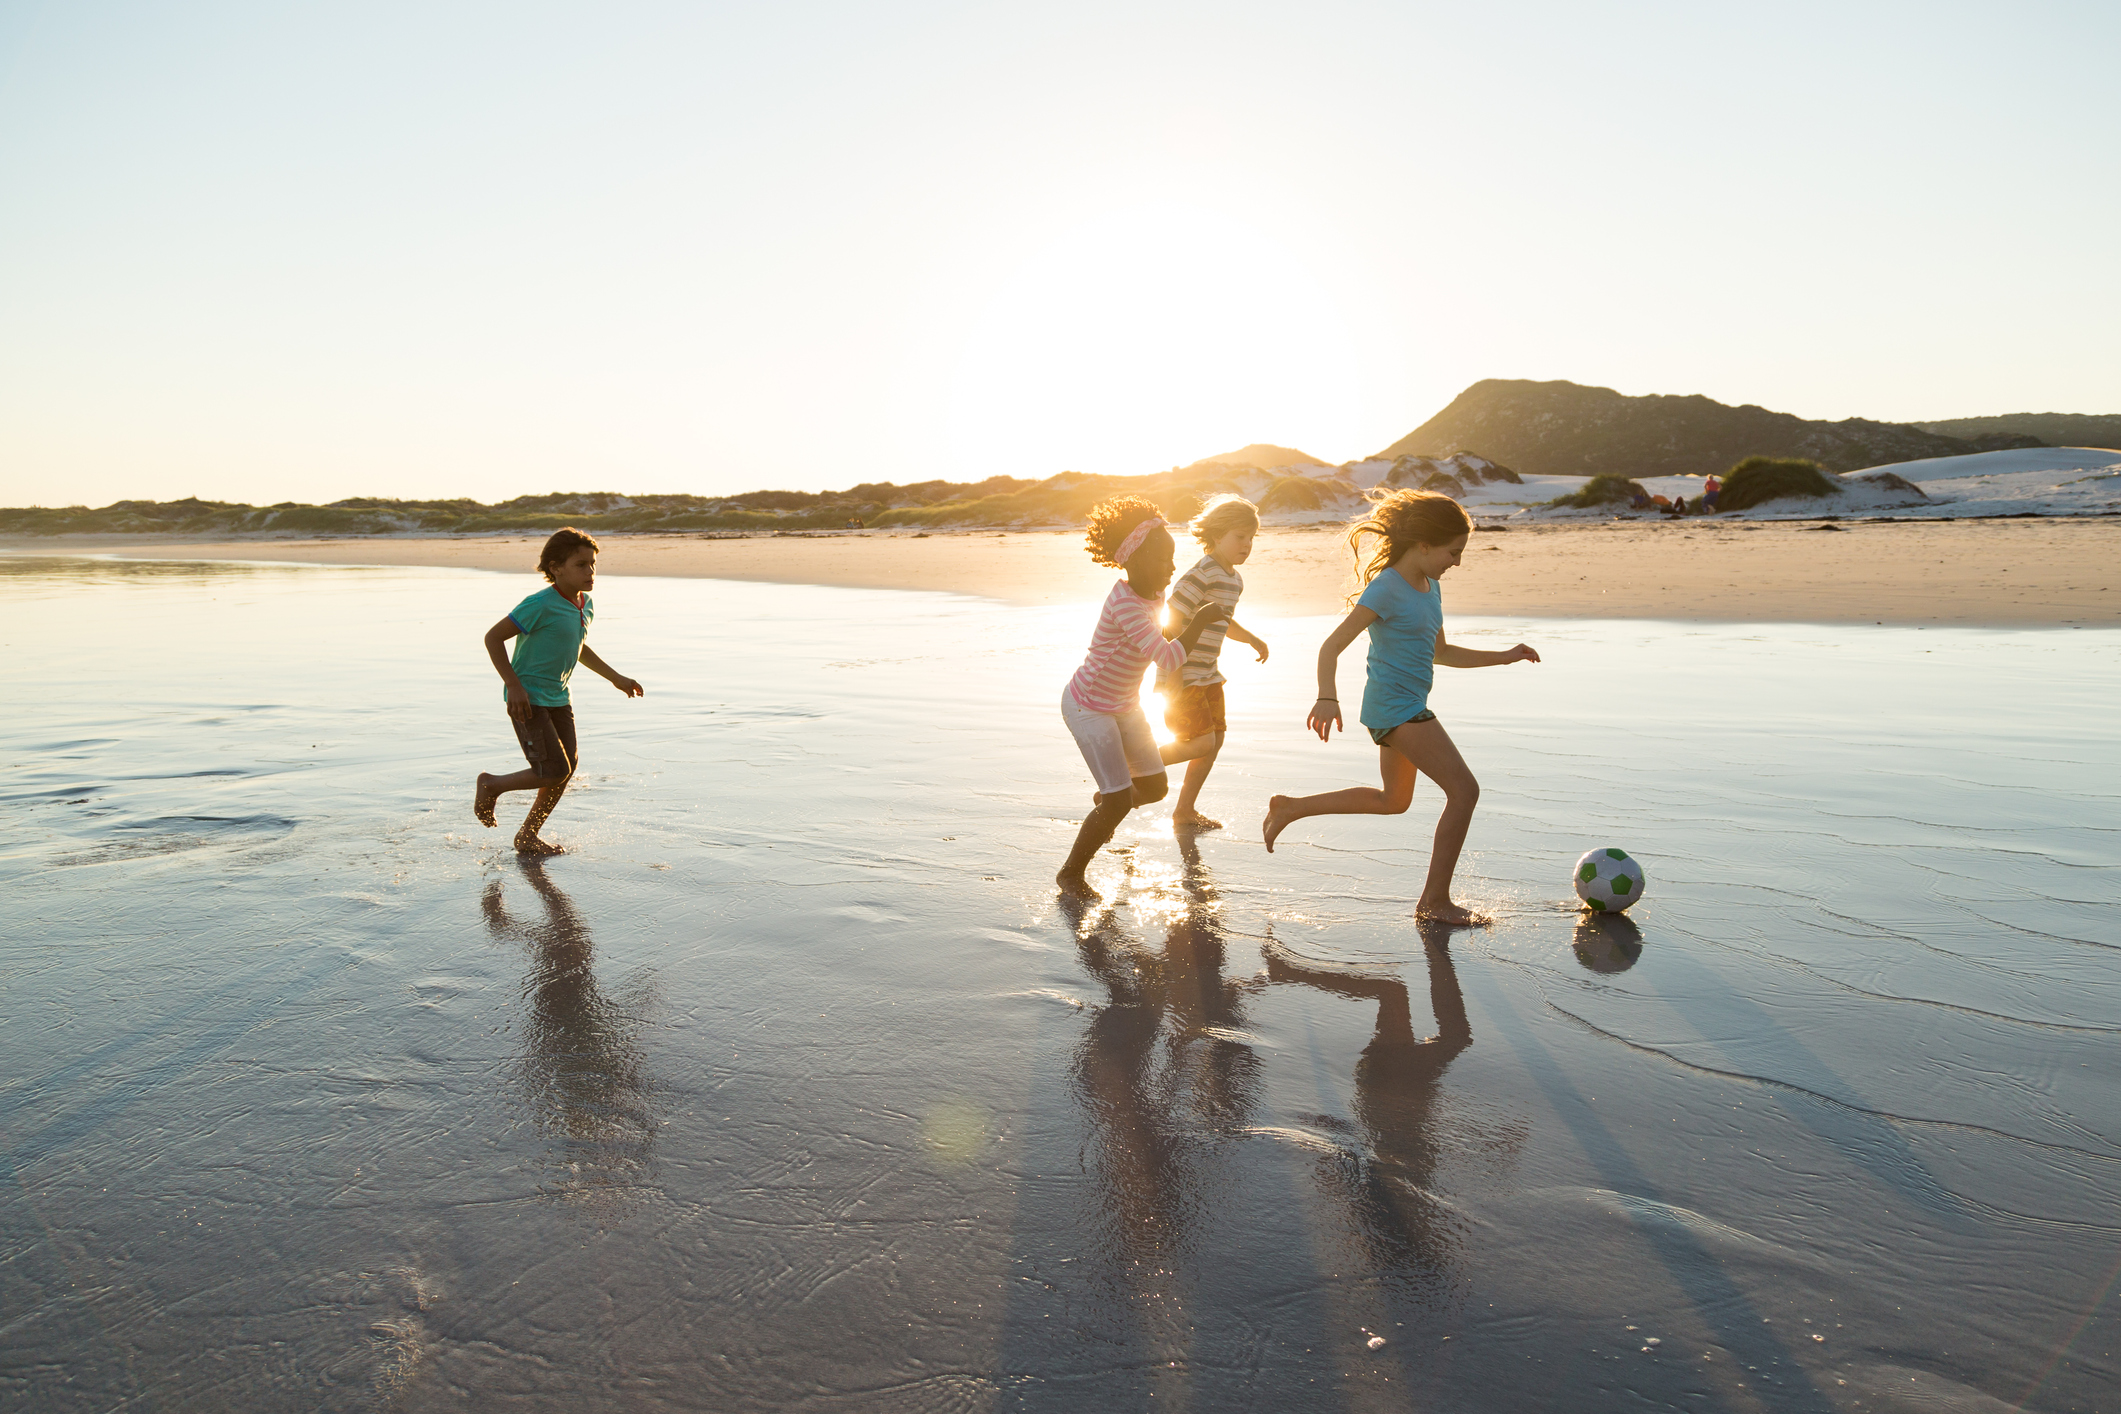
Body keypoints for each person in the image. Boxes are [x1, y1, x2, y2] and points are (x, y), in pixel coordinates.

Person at [1261, 490, 1539, 926]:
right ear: (1424, 544)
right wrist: (1326, 696)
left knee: (1394, 801)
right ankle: (1435, 901)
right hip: (1396, 709)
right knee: (1465, 791)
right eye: (1454, 551)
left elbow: (1440, 652)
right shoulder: (1387, 586)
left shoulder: (1432, 588)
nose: (1458, 562)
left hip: (1402, 707)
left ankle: (1291, 808)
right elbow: (1332, 646)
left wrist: (1503, 655)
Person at [1056, 496, 1227, 897]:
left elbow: (1161, 638)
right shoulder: (1125, 603)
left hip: (1124, 706)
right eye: (1164, 558)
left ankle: (1107, 804)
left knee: (1153, 788)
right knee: (1118, 803)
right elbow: (1166, 653)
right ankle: (1071, 873)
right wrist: (1200, 620)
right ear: (1136, 559)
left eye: (1173, 558)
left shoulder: (1151, 595)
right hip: (1089, 707)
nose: (1172, 566)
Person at [473, 528, 644, 855]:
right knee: (553, 769)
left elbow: (577, 646)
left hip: (558, 697)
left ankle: (527, 836)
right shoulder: (539, 604)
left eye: (593, 564)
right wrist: (513, 685)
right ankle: (490, 784)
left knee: (565, 769)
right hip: (528, 699)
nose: (590, 572)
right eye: (581, 565)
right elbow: (493, 638)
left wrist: (615, 677)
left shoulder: (585, 604)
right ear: (556, 568)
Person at [1156, 494, 1270, 831]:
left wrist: (1250, 637)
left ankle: (1185, 810)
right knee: (1200, 741)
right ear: (1217, 535)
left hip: (1208, 673)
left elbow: (1222, 620)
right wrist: (1174, 675)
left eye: (1252, 538)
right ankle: (1132, 767)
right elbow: (1171, 621)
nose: (1247, 544)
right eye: (1239, 536)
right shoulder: (1201, 573)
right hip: (1183, 671)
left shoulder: (1234, 579)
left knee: (1215, 741)